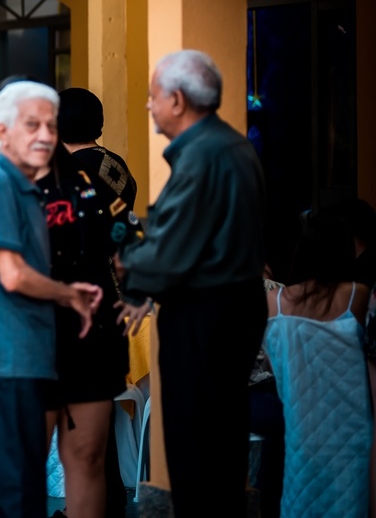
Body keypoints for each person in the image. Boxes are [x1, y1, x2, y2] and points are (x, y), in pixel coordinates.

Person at [116, 49, 267, 516]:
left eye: (152, 96)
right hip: (230, 308)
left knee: (196, 443)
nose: (148, 106)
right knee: (217, 439)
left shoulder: (204, 155)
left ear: (177, 100)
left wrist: (129, 265)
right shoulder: (229, 147)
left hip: (207, 315)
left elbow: (171, 246)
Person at [0, 81, 102, 516]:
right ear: (2, 131)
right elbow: (12, 273)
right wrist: (69, 295)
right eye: (31, 125)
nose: (44, 135)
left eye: (51, 125)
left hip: (25, 360)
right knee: (19, 497)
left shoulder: (26, 184)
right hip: (10, 364)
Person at [47, 88, 139, 518]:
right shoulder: (115, 166)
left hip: (76, 303)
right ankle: (109, 501)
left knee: (78, 431)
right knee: (100, 424)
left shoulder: (68, 174)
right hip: (114, 299)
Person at [264, 210, 372, 517]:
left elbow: (275, 368)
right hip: (351, 438)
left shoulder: (275, 304)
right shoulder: (356, 296)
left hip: (302, 437)